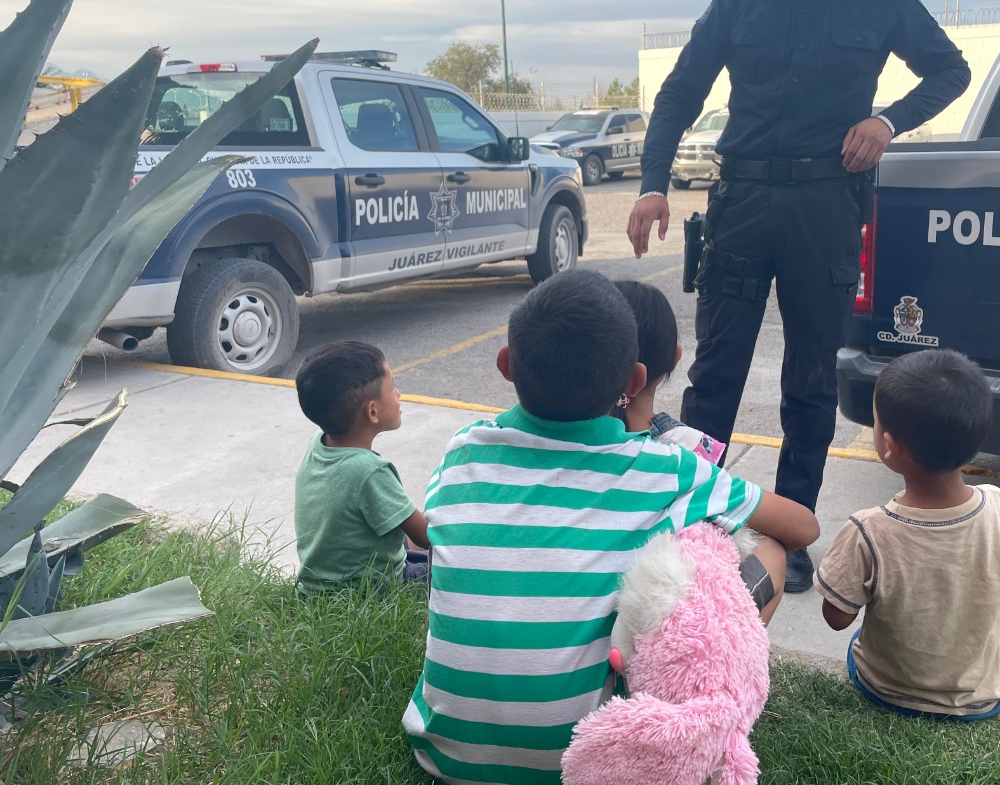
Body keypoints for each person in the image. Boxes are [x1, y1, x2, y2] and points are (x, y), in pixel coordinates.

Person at [626, 0, 972, 592]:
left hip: (826, 208)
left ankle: (794, 529)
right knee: (714, 379)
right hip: (743, 205)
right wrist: (653, 184)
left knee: (810, 382)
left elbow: (949, 70)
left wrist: (888, 119)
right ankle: (704, 527)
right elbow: (680, 91)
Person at [402, 269, 819, 784]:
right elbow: (803, 528)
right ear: (636, 381)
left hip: (447, 759)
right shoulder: (665, 469)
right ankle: (713, 695)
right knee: (763, 549)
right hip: (594, 763)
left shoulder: (462, 450)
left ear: (507, 366)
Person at [814, 349, 1000, 720]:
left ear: (888, 444)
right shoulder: (998, 505)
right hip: (979, 695)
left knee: (861, 642)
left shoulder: (868, 529)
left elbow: (837, 618)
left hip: (887, 689)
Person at [611, 278, 785, 623]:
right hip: (662, 618)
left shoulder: (570, 442)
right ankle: (730, 648)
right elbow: (804, 527)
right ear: (675, 358)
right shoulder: (685, 453)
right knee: (772, 551)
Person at [293, 341, 430, 594]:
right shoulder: (369, 471)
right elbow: (426, 537)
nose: (398, 395)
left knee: (401, 527)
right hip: (368, 589)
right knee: (452, 565)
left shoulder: (319, 442)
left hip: (318, 585)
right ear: (373, 411)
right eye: (392, 388)